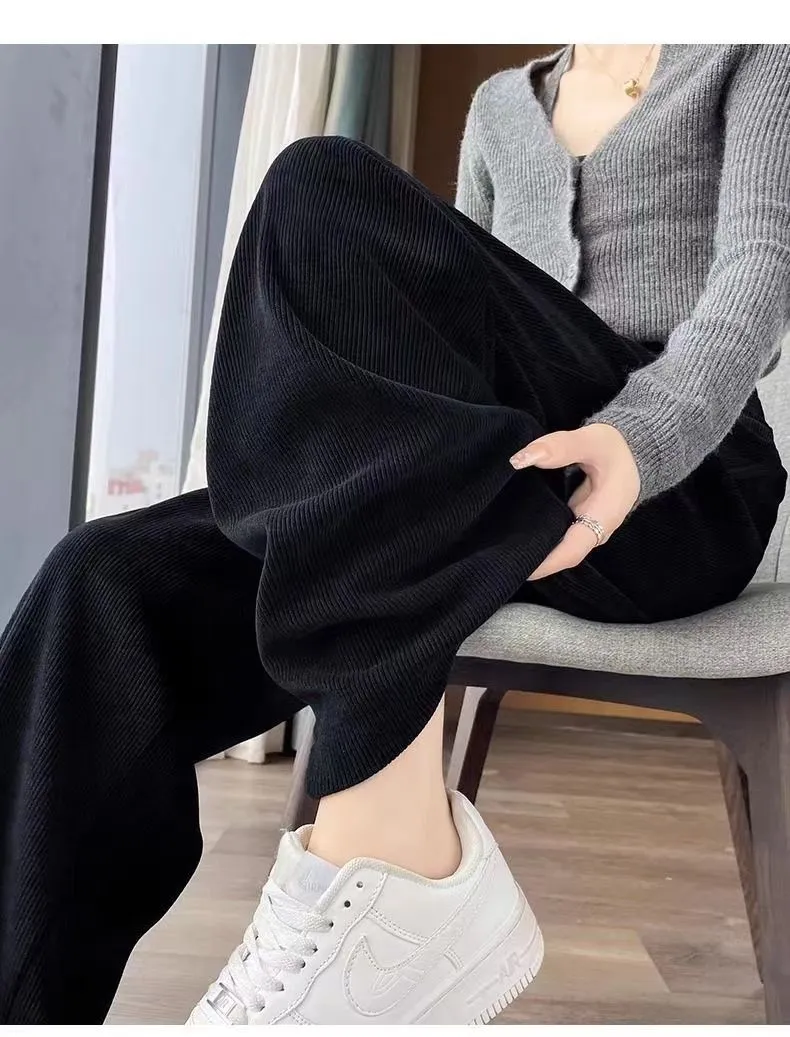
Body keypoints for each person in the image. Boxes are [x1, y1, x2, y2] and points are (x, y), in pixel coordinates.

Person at [0, 43, 788, 1025]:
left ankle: (386, 852)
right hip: (503, 482)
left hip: (679, 490)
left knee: (319, 182)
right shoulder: (503, 108)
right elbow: (439, 344)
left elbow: (759, 276)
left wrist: (639, 439)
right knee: (104, 579)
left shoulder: (750, 53)